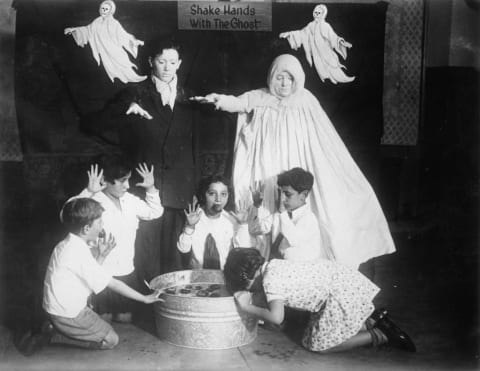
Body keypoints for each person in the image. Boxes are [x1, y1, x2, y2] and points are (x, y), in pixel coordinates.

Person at [196, 54, 395, 268]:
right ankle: (265, 264)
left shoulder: (305, 99)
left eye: (289, 78)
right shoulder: (260, 96)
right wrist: (219, 100)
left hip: (295, 159)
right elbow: (239, 103)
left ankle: (297, 264)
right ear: (272, 78)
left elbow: (323, 131)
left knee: (298, 207)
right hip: (267, 163)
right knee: (266, 207)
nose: (283, 83)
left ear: (296, 80)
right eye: (279, 77)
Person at [16, 198, 163, 356]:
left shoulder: (68, 243)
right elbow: (112, 283)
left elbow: (89, 275)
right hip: (68, 314)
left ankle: (53, 326)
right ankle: (53, 335)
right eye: (99, 223)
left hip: (57, 308)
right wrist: (144, 298)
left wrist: (101, 255)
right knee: (111, 340)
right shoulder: (78, 252)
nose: (102, 227)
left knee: (102, 324)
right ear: (86, 228)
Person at [114, 38, 200, 278]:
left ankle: (171, 306)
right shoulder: (135, 93)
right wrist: (129, 105)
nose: (167, 67)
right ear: (151, 61)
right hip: (146, 183)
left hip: (180, 186)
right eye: (161, 61)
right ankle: (143, 306)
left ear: (180, 64)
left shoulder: (190, 97)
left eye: (172, 62)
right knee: (146, 248)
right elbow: (111, 119)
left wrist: (194, 185)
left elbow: (196, 146)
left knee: (174, 252)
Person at [223, 248, 416, 353]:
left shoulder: (270, 281)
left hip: (339, 295)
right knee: (316, 331)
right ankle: (371, 319)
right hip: (342, 282)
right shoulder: (273, 265)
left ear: (245, 277)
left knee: (316, 344)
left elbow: (276, 317)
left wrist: (247, 306)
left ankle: (379, 334)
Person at [67, 155, 163, 323]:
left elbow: (155, 212)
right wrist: (89, 191)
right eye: (122, 181)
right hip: (102, 274)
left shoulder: (130, 200)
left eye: (128, 180)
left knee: (126, 320)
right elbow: (66, 214)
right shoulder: (92, 201)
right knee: (104, 320)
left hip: (127, 272)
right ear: (105, 180)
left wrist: (151, 188)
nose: (127, 186)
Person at [177, 175, 253, 270]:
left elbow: (245, 250)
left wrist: (242, 225)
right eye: (212, 193)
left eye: (223, 194)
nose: (218, 199)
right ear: (204, 195)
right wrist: (190, 226)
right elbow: (183, 249)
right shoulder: (193, 217)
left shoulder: (231, 220)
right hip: (197, 275)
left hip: (223, 276)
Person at [249, 167, 322, 261]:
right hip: (279, 266)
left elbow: (292, 240)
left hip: (301, 268)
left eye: (288, 194)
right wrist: (256, 205)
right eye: (281, 193)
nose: (282, 199)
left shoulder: (309, 218)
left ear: (303, 195)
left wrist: (282, 213)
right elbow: (254, 230)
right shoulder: (280, 214)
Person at [64, 0, 146, 84]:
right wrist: (73, 30)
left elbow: (123, 34)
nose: (104, 10)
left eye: (106, 9)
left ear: (110, 11)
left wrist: (134, 40)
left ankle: (134, 77)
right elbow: (87, 30)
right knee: (109, 67)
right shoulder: (96, 22)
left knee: (123, 64)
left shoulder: (114, 23)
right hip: (104, 51)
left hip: (115, 50)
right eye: (102, 8)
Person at [279, 4, 355, 84]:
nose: (317, 15)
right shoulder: (311, 25)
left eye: (319, 13)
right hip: (316, 53)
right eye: (316, 12)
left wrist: (340, 41)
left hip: (326, 52)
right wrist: (289, 34)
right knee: (320, 69)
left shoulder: (326, 25)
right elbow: (302, 33)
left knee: (333, 66)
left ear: (323, 14)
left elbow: (333, 36)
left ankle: (343, 78)